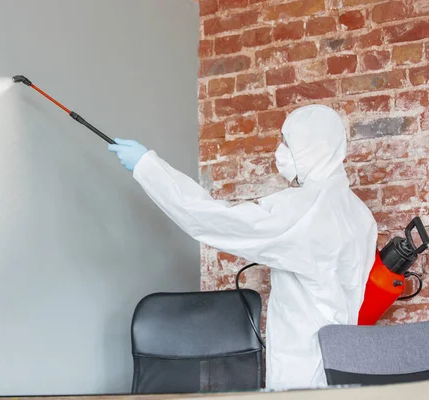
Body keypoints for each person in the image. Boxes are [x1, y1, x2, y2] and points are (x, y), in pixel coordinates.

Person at [108, 104, 378, 390]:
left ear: (310, 148)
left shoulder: (304, 211)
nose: (280, 149)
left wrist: (147, 167)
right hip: (342, 363)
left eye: (287, 142)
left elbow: (212, 219)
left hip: (303, 367)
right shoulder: (359, 214)